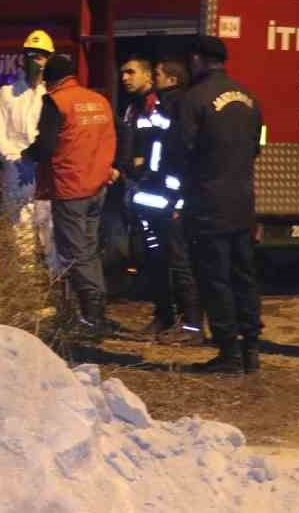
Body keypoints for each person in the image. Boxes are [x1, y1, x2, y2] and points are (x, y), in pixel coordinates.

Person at [176, 37, 263, 373]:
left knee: (215, 278)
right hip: (242, 201)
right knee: (244, 276)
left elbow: (182, 152)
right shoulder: (249, 98)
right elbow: (256, 146)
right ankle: (251, 349)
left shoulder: (193, 99)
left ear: (197, 59)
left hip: (207, 202)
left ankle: (228, 353)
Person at [21, 53, 118, 335]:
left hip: (70, 188)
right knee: (89, 251)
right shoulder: (98, 100)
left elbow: (47, 146)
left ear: (50, 79)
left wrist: (27, 155)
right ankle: (97, 311)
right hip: (97, 187)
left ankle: (92, 318)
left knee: (75, 254)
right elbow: (110, 137)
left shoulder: (56, 102)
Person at [127, 58, 202, 343]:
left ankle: (192, 325)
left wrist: (175, 198)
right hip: (154, 196)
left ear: (171, 79)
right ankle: (165, 317)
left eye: (157, 74)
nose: (154, 78)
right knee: (157, 259)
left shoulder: (179, 107)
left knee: (179, 261)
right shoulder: (155, 106)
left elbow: (177, 157)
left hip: (171, 199)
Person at [0, 30, 56, 268]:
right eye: (31, 54)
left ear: (49, 59)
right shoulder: (7, 94)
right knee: (20, 236)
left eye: (41, 55)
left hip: (46, 174)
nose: (35, 60)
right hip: (17, 174)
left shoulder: (53, 95)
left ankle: (54, 290)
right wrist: (17, 162)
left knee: (50, 234)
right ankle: (27, 292)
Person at [105, 57, 156, 285]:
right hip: (132, 180)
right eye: (122, 73)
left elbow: (158, 142)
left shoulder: (154, 104)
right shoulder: (132, 107)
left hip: (148, 183)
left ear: (147, 75)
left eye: (131, 72)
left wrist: (142, 165)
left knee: (148, 234)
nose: (124, 77)